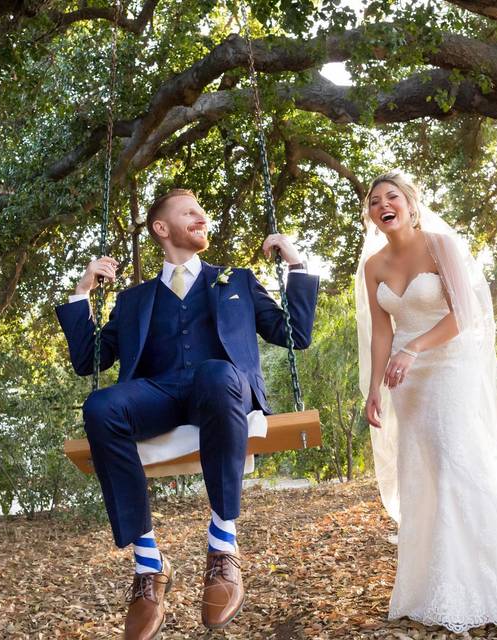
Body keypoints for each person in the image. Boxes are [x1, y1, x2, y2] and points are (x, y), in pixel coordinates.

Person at [56, 188, 319, 639]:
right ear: (162, 229)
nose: (202, 217)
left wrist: (295, 265)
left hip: (218, 390)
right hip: (158, 393)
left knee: (216, 374)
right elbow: (89, 361)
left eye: (202, 211)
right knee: (100, 405)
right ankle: (148, 565)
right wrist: (83, 291)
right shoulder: (133, 300)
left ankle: (222, 547)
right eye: (189, 212)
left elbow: (293, 334)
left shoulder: (235, 280)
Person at [355, 170, 497, 632]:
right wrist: (374, 387)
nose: (383, 205)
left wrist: (414, 348)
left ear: (411, 204)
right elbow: (381, 332)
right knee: (424, 469)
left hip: (448, 363)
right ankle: (433, 581)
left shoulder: (440, 246)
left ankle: (494, 570)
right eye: (374, 201)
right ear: (371, 215)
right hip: (405, 382)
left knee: (455, 460)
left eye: (391, 196)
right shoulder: (373, 266)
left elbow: (466, 312)